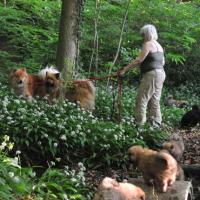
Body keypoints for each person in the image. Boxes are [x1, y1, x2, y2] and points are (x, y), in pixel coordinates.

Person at [119, 24, 166, 127]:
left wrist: (125, 70)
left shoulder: (148, 44)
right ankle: (155, 124)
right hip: (161, 73)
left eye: (143, 34)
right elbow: (162, 63)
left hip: (152, 74)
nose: (142, 37)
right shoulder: (159, 46)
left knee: (142, 98)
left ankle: (139, 124)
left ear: (147, 34)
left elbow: (139, 60)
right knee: (154, 100)